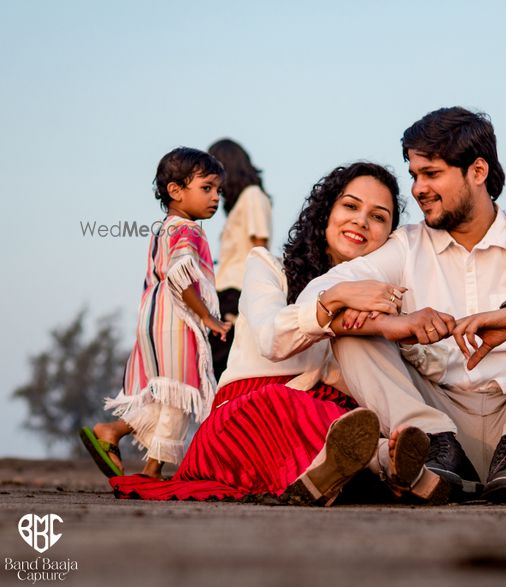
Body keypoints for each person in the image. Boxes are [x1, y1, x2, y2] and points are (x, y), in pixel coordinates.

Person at [283, 107, 506, 504]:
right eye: (414, 175)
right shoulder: (407, 246)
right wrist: (392, 324)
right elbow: (318, 295)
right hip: (439, 436)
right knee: (349, 325)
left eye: (431, 174)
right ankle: (433, 445)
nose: (417, 189)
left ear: (477, 172)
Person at [110, 162, 447, 505]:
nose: (361, 220)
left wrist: (403, 331)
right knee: (287, 406)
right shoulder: (268, 267)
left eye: (378, 217)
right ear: (325, 212)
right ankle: (387, 464)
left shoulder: (387, 295)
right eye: (350, 206)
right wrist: (335, 297)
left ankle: (368, 465)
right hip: (250, 416)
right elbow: (272, 338)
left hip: (340, 418)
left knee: (350, 420)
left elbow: (424, 368)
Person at [79, 148, 232, 479]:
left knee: (165, 395)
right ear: (176, 190)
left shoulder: (166, 227)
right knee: (178, 394)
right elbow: (178, 275)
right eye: (206, 188)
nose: (216, 197)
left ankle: (113, 432)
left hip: (153, 322)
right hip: (175, 324)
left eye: (218, 190)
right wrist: (207, 317)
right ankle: (151, 471)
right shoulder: (188, 230)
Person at [206, 138, 273, 380]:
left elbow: (260, 251)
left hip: (237, 293)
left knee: (221, 366)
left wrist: (256, 298)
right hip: (223, 291)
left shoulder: (253, 196)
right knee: (212, 366)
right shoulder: (239, 204)